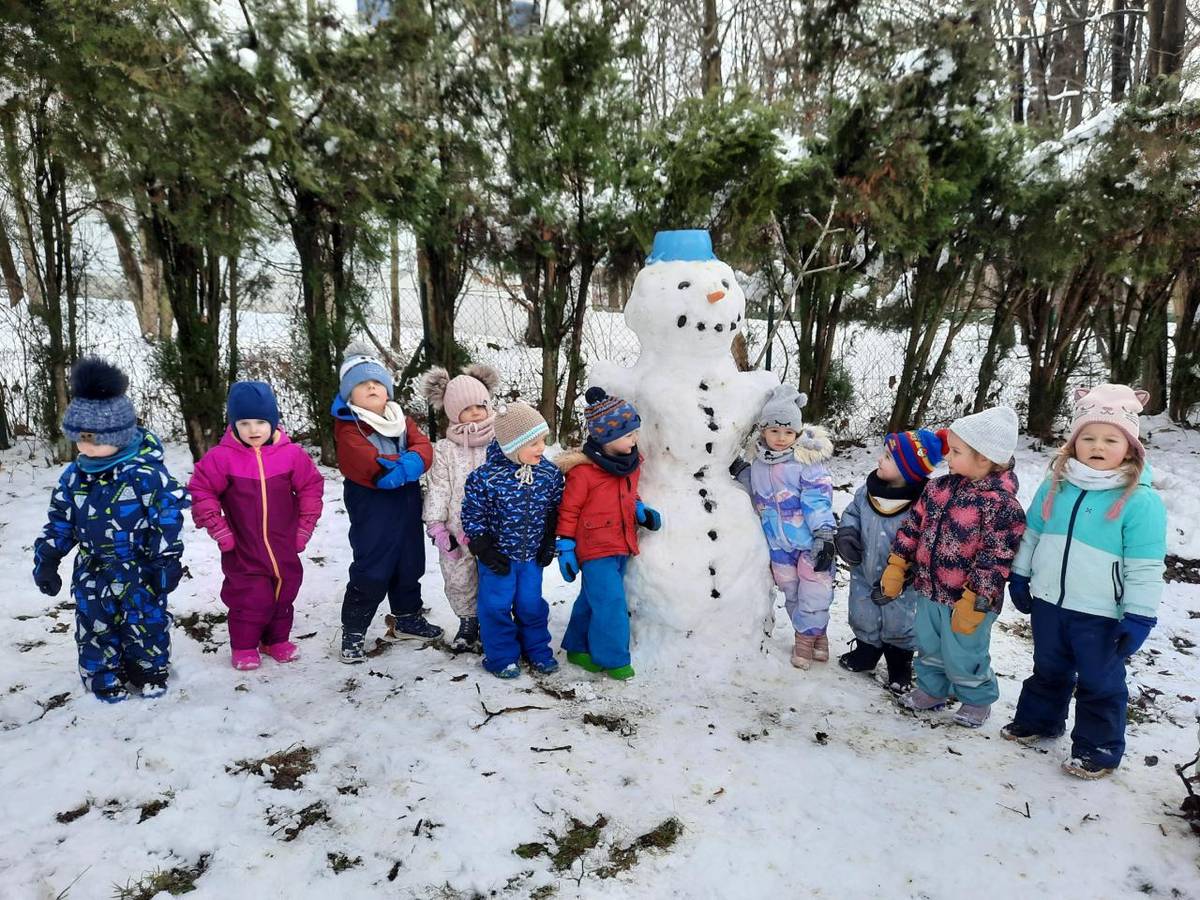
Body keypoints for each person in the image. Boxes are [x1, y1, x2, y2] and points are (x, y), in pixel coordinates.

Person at [1002, 384, 1166, 779]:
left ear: (1130, 447)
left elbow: (1145, 566)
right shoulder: (1056, 483)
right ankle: (1040, 721)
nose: (1097, 445)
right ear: (1074, 442)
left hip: (1101, 612)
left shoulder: (1139, 501)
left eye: (1111, 439)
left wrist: (1139, 616)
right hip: (1050, 603)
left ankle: (1098, 747)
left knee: (1099, 679)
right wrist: (1021, 576)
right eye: (1087, 437)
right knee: (1048, 665)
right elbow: (1033, 534)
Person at [33, 358, 189, 702]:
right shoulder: (74, 476)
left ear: (118, 435)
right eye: (80, 439)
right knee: (95, 627)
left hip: (140, 568)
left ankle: (148, 669)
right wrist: (48, 558)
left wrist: (167, 560)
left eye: (93, 439)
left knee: (145, 621)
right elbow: (61, 520)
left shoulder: (146, 474)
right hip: (93, 570)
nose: (85, 447)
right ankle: (102, 675)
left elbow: (168, 516)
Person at [882, 406, 1026, 728]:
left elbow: (996, 558)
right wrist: (897, 563)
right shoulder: (939, 488)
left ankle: (976, 699)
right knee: (929, 645)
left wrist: (977, 600)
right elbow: (913, 526)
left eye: (957, 451)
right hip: (929, 589)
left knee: (965, 653)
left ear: (984, 459)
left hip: (967, 600)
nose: (947, 454)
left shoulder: (1002, 506)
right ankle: (932, 690)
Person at [189, 381, 324, 670]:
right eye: (245, 422)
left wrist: (304, 527)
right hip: (243, 546)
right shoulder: (222, 458)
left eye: (261, 422)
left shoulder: (291, 455)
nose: (253, 430)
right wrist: (219, 527)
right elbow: (201, 490)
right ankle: (245, 645)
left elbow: (311, 486)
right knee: (251, 597)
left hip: (283, 543)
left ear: (273, 421)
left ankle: (275, 640)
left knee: (284, 592)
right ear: (233, 423)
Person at [332, 342, 441, 663]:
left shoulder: (398, 418)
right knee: (373, 567)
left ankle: (407, 617)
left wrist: (412, 462)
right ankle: (353, 630)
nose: (371, 387)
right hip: (372, 505)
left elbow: (422, 444)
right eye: (362, 384)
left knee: (410, 561)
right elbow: (363, 460)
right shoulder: (349, 425)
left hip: (405, 502)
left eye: (378, 382)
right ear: (349, 395)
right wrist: (392, 466)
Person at [556, 387, 662, 680]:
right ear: (605, 437)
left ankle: (577, 647)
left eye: (635, 433)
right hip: (594, 548)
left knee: (592, 599)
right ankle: (613, 658)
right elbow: (569, 511)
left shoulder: (629, 466)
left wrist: (640, 512)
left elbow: (628, 497)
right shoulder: (584, 473)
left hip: (622, 542)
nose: (635, 439)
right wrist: (565, 546)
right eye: (628, 435)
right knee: (612, 603)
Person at [733, 384, 836, 669]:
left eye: (789, 432)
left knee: (815, 592)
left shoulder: (806, 462)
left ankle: (807, 639)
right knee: (791, 592)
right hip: (778, 544)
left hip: (810, 541)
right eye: (774, 431)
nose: (781, 438)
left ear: (798, 433)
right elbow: (754, 492)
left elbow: (818, 500)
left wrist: (824, 533)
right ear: (763, 430)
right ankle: (813, 634)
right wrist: (740, 471)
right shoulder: (759, 463)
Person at [836, 428, 947, 692]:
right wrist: (848, 534)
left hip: (902, 581)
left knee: (901, 621)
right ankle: (866, 651)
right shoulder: (868, 491)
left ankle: (899, 664)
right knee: (862, 612)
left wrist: (912, 569)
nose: (879, 460)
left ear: (908, 470)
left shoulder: (922, 502)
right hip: (863, 570)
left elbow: (929, 539)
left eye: (887, 457)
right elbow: (853, 514)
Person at [461, 401, 564, 678]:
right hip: (498, 558)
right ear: (511, 445)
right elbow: (472, 516)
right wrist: (483, 548)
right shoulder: (485, 478)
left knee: (531, 605)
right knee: (496, 606)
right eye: (534, 443)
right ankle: (502, 656)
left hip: (532, 556)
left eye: (543, 440)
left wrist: (549, 541)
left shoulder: (549, 474)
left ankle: (537, 650)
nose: (542, 448)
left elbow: (555, 509)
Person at [417, 363, 501, 652]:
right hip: (457, 526)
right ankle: (468, 622)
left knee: (495, 574)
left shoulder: (501, 440)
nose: (476, 411)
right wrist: (437, 525)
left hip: (495, 525)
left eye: (481, 404)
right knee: (459, 575)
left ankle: (496, 621)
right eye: (467, 408)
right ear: (453, 412)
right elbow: (439, 487)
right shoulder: (445, 449)